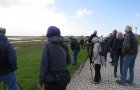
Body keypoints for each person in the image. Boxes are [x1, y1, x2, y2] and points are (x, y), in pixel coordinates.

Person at [38, 26, 71, 90]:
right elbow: (68, 61)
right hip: (64, 78)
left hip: (51, 79)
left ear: (48, 34)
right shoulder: (64, 44)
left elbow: (44, 65)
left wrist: (41, 81)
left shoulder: (47, 45)